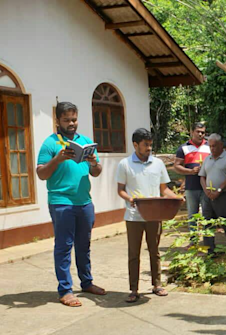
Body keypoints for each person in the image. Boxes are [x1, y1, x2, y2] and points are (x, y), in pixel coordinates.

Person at [36, 101, 106, 307]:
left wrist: (93, 162)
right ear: (57, 120)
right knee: (64, 246)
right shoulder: (50, 143)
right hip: (61, 202)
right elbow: (41, 174)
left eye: (74, 119)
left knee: (84, 245)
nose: (71, 123)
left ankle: (87, 283)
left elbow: (97, 171)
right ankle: (65, 290)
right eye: (66, 120)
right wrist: (57, 159)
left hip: (84, 202)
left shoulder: (85, 141)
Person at [116, 128, 181, 303]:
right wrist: (129, 198)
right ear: (135, 144)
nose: (149, 148)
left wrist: (176, 198)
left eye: (151, 145)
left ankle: (157, 284)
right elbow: (120, 190)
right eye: (145, 145)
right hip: (133, 216)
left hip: (154, 215)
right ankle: (134, 289)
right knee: (133, 253)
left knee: (155, 251)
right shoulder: (125, 164)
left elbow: (164, 189)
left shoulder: (158, 164)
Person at [199, 134, 226, 252]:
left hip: (223, 196)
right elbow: (202, 176)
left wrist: (218, 190)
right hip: (208, 196)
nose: (212, 149)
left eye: (215, 146)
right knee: (207, 223)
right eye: (210, 146)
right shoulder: (208, 158)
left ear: (221, 145)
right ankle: (210, 250)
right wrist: (206, 190)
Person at [174, 123, 210, 225]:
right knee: (192, 214)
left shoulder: (209, 147)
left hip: (207, 187)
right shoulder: (184, 148)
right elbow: (177, 166)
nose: (200, 134)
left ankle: (208, 239)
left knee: (207, 214)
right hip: (191, 187)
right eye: (197, 132)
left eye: (202, 132)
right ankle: (193, 239)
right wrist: (190, 171)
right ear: (192, 132)